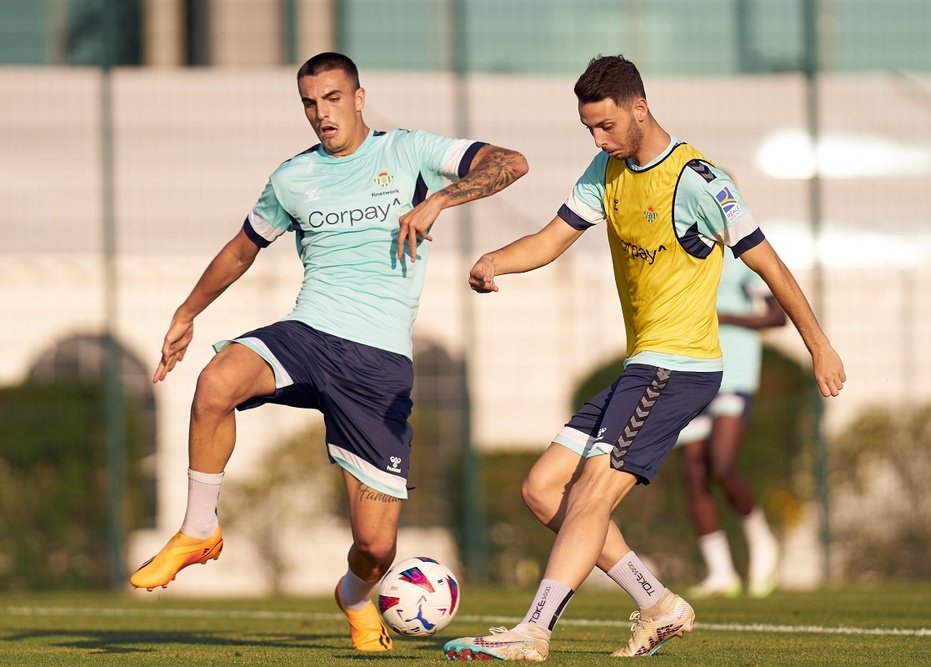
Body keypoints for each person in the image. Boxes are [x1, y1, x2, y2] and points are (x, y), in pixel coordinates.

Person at [443, 55, 844, 662]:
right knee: (543, 488)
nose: (599, 140)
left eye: (605, 126)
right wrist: (495, 260)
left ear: (640, 106)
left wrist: (819, 344)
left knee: (592, 494)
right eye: (589, 130)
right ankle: (658, 604)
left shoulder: (698, 180)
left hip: (679, 366)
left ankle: (534, 631)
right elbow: (552, 239)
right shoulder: (605, 170)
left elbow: (770, 265)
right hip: (643, 367)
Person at [128, 52, 528, 654]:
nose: (322, 114)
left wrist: (440, 200)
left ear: (360, 97)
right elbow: (241, 250)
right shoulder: (293, 177)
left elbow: (511, 163)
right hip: (309, 335)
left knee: (375, 548)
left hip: (377, 366)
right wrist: (187, 313)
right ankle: (198, 530)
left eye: (333, 99)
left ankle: (354, 595)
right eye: (310, 104)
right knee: (215, 382)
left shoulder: (409, 151)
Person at [674, 250, 787, 599]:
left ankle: (762, 541)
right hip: (688, 372)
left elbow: (777, 316)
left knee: (721, 465)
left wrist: (722, 317)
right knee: (693, 470)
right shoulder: (676, 253)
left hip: (733, 373)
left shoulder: (741, 258)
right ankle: (720, 571)